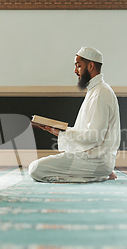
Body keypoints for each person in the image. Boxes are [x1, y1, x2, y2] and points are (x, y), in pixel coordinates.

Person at [29, 47, 120, 183]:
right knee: (41, 166)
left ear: (90, 66)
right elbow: (89, 133)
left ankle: (97, 174)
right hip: (93, 160)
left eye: (78, 66)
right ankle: (100, 173)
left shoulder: (101, 93)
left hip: (95, 161)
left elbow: (94, 136)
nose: (75, 70)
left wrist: (63, 133)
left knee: (35, 169)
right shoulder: (96, 90)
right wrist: (58, 131)